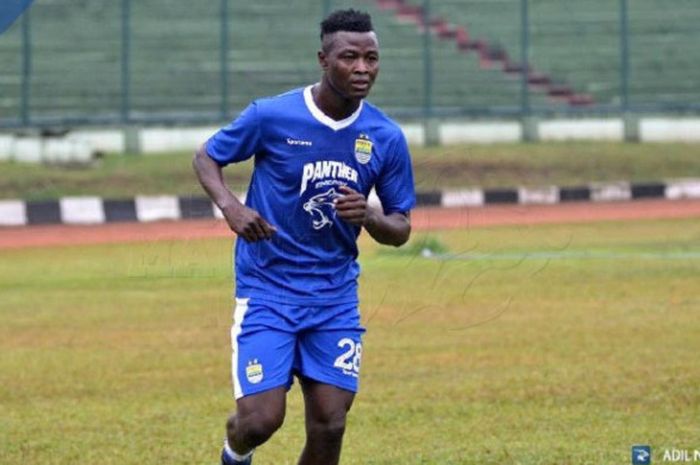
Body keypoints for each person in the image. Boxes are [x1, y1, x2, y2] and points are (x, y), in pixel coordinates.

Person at [193, 9, 416, 465]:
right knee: (260, 421)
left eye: (371, 58)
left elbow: (401, 228)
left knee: (330, 423)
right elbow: (207, 157)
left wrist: (370, 217)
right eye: (349, 57)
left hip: (334, 297)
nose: (362, 68)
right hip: (267, 290)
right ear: (323, 59)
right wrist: (232, 207)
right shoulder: (272, 116)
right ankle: (234, 454)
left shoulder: (385, 136)